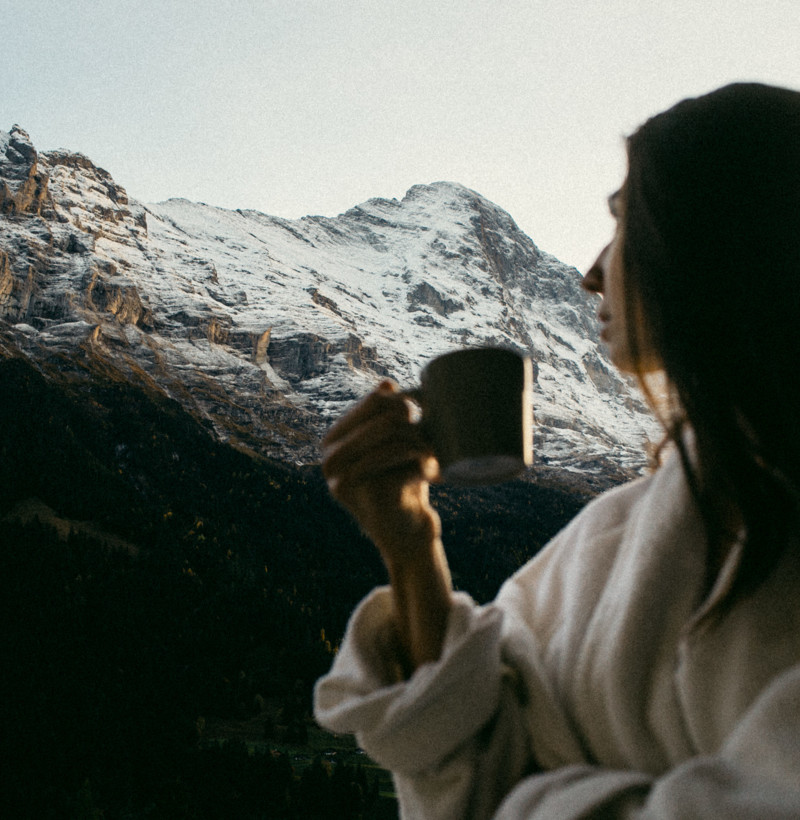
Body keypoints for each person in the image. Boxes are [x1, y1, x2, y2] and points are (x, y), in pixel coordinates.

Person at [313, 82, 800, 819]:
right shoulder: (624, 526)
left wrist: (531, 801)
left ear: (711, 234)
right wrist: (412, 548)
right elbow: (479, 759)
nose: (591, 272)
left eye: (623, 221)